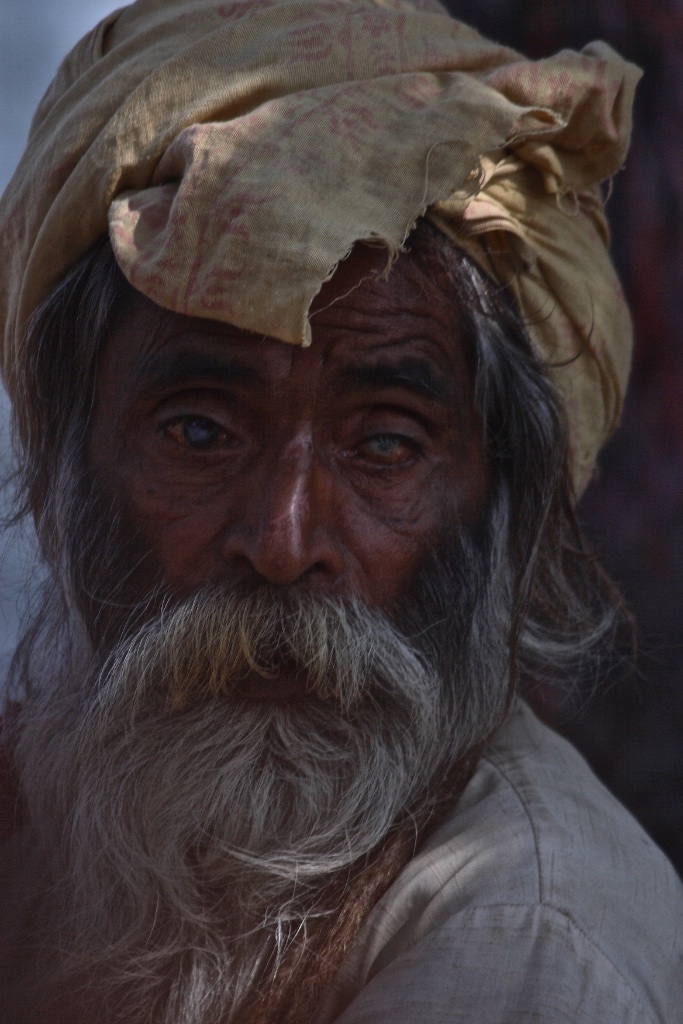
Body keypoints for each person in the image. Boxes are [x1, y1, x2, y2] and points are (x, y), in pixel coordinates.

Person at [0, 0, 681, 1021]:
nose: (281, 542)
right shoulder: (46, 817)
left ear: (497, 504)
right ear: (65, 465)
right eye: (199, 432)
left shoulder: (523, 934)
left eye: (384, 446)